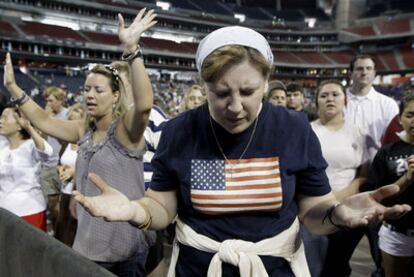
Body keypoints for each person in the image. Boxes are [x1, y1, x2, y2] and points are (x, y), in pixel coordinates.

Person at [73, 26, 410, 277]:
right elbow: (162, 207)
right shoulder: (180, 131)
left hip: (275, 268)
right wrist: (134, 210)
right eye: (220, 93)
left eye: (248, 91)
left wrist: (336, 214)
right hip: (199, 268)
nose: (235, 107)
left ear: (266, 82)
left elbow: (312, 212)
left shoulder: (292, 128)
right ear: (203, 85)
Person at [3, 8, 157, 276]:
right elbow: (43, 120)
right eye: (86, 89)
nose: (90, 95)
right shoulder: (82, 130)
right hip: (87, 246)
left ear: (115, 95)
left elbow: (143, 106)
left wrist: (132, 49)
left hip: (124, 249)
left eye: (98, 90)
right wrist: (14, 88)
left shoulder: (125, 133)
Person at [336, 54, 400, 277]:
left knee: (379, 246)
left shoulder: (388, 104)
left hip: (377, 182)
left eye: (369, 68)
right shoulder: (338, 100)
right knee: (339, 249)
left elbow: (393, 145)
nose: (364, 72)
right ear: (351, 72)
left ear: (374, 73)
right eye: (359, 68)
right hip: (345, 181)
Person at [310, 80, 370, 277]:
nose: (330, 99)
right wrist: (323, 199)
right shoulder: (307, 131)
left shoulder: (359, 132)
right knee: (317, 263)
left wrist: (341, 195)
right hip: (313, 209)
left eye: (335, 94)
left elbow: (363, 174)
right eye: (324, 95)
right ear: (316, 101)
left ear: (345, 100)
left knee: (338, 263)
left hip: (348, 206)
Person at [368, 93, 414, 277]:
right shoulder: (387, 153)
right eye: (410, 115)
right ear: (400, 119)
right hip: (397, 232)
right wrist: (407, 178)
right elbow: (376, 196)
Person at [0, 105, 53, 231]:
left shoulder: (31, 145)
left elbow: (47, 152)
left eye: (5, 118)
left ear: (19, 125)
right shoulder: (2, 146)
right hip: (4, 210)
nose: (0, 120)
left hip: (29, 211)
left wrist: (29, 127)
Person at [55, 103, 85, 246]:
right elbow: (59, 162)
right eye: (70, 119)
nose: (71, 124)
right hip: (64, 192)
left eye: (75, 120)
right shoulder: (67, 142)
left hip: (77, 196)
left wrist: (74, 172)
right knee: (61, 231)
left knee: (71, 234)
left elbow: (90, 168)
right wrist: (60, 168)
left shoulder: (87, 144)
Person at [41, 86, 69, 235]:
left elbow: (66, 138)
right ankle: (56, 231)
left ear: (60, 101)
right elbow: (42, 138)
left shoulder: (68, 115)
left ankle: (62, 233)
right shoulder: (46, 115)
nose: (48, 103)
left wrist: (50, 121)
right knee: (52, 204)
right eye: (47, 100)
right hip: (47, 165)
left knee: (64, 204)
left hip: (63, 166)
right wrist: (45, 121)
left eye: (51, 100)